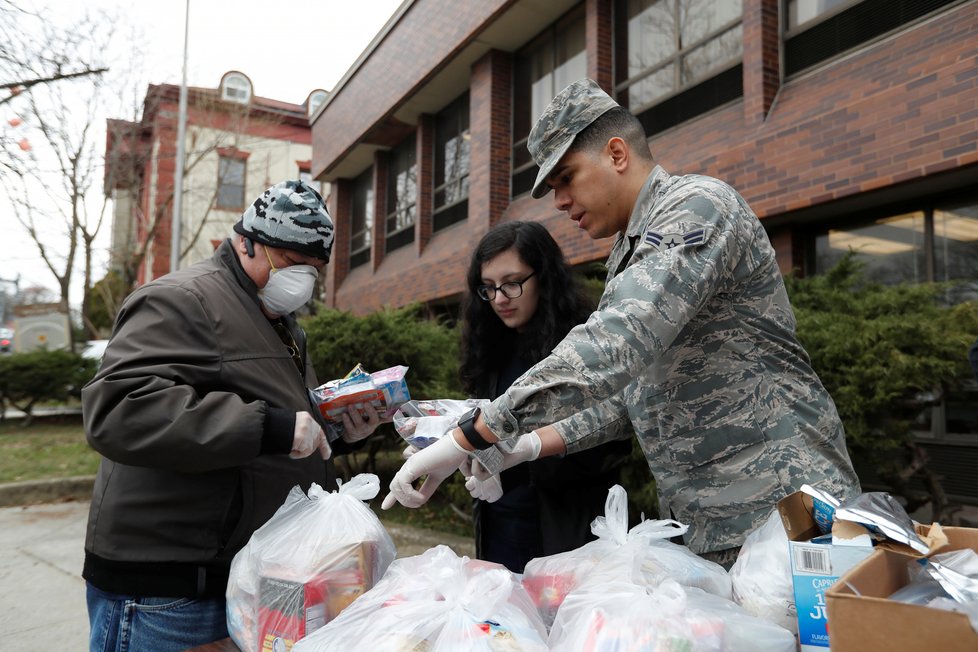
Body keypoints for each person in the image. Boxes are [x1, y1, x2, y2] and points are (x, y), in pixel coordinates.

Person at [383, 78, 861, 567]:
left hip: (783, 510)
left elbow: (618, 344)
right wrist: (522, 446)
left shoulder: (696, 206)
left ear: (616, 153)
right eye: (552, 189)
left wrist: (473, 433)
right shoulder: (627, 254)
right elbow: (628, 399)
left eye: (566, 178)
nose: (560, 201)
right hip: (711, 524)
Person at [82, 180, 385, 651]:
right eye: (288, 261)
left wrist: (335, 432)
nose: (301, 279)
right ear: (245, 241)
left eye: (313, 268)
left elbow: (278, 422)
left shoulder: (279, 324)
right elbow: (119, 408)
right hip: (167, 586)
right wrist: (274, 427)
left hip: (244, 575)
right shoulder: (184, 298)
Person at [458, 221, 631, 572]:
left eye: (512, 283)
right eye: (488, 288)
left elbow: (610, 443)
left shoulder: (584, 344)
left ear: (544, 276)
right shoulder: (490, 346)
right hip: (500, 526)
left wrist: (524, 452)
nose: (500, 299)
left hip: (567, 534)